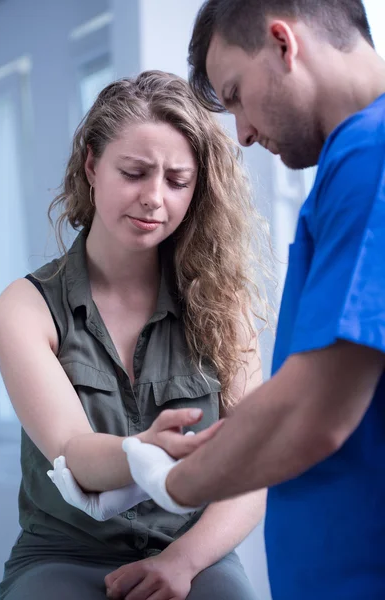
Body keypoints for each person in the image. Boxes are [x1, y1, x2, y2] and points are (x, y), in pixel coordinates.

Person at [121, 3, 385, 600]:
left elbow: (313, 413)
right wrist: (213, 448)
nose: (241, 133)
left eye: (236, 94)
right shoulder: (352, 163)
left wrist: (173, 484)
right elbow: (304, 388)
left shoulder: (372, 159)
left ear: (282, 44)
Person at [0, 70, 272, 600]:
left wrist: (181, 562)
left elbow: (252, 471)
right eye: (135, 172)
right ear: (92, 165)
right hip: (64, 554)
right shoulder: (24, 307)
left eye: (176, 181)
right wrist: (142, 452)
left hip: (195, 555)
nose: (153, 198)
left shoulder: (223, 305)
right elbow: (74, 453)